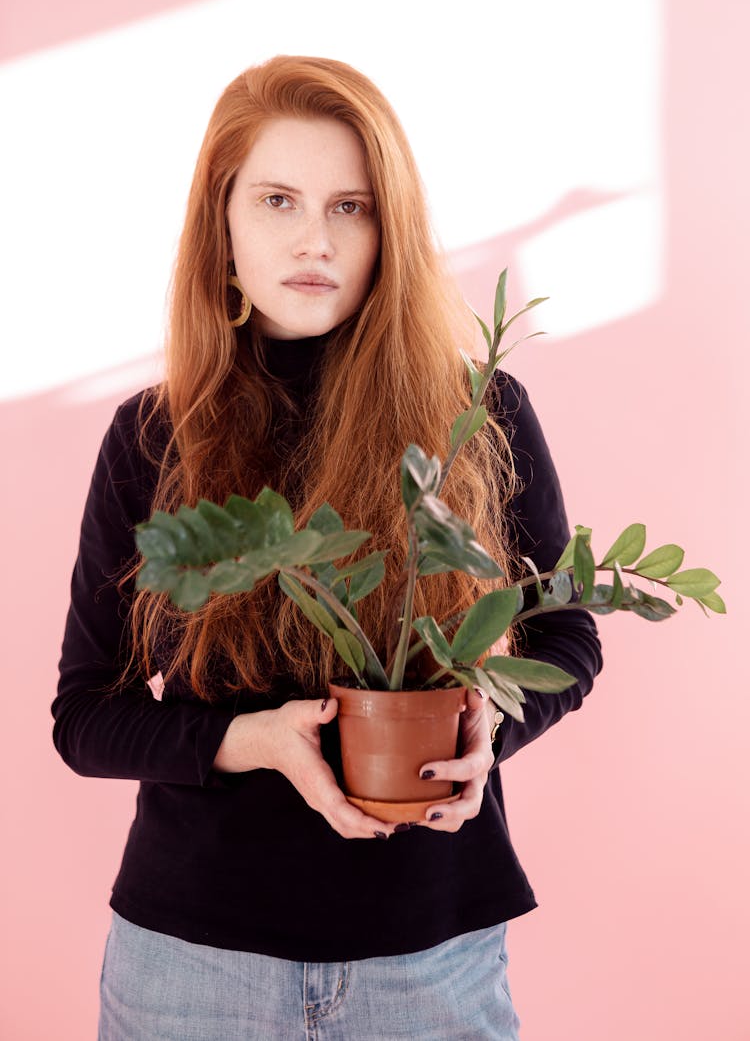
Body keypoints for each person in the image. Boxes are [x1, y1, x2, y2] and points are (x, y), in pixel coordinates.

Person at [52, 55, 602, 1041]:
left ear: (390, 230)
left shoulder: (477, 414)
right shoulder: (152, 436)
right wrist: (244, 743)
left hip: (432, 961)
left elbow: (566, 636)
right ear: (221, 225)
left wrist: (488, 736)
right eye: (278, 201)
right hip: (191, 970)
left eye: (352, 206)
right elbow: (85, 717)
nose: (316, 239)